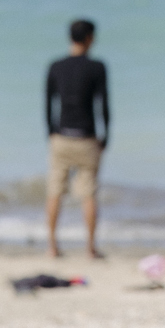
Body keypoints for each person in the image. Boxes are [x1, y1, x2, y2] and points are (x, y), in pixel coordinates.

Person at [43, 19, 109, 260]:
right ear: (89, 38)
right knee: (89, 193)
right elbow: (103, 105)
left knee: (54, 192)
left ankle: (52, 246)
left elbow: (48, 103)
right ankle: (90, 248)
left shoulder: (56, 66)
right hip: (87, 138)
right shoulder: (97, 67)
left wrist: (50, 132)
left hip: (61, 136)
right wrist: (105, 137)